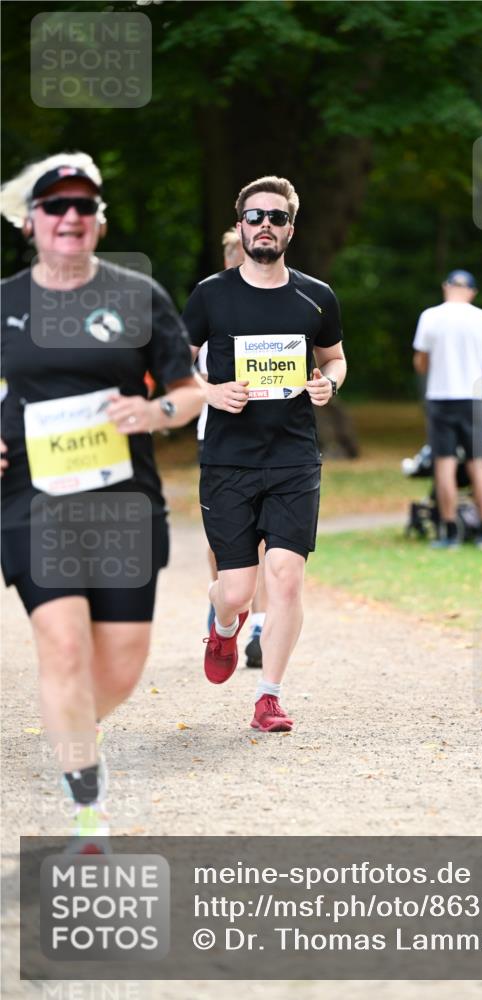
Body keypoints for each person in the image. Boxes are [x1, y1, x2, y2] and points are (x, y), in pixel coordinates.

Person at [0, 153, 203, 838]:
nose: (70, 217)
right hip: (32, 501)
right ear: (31, 222)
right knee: (62, 647)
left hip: (124, 503)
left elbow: (190, 393)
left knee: (117, 668)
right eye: (55, 206)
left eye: (83, 206)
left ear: (99, 220)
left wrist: (156, 414)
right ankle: (88, 804)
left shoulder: (136, 295)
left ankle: (71, 728)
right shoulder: (4, 304)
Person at [183, 175, 346, 733]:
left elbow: (336, 358)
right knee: (237, 589)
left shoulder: (316, 295)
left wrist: (328, 381)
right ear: (240, 225)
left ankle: (269, 696)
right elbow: (178, 365)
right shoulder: (210, 294)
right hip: (227, 458)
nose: (265, 226)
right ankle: (224, 625)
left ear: (290, 230)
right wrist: (209, 391)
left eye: (276, 218)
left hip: (294, 457)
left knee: (286, 577)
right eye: (255, 217)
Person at [197, 227, 267, 668]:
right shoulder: (207, 305)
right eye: (234, 254)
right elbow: (182, 372)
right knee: (221, 534)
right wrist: (210, 392)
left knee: (261, 533)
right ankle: (223, 599)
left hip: (265, 437)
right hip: (216, 433)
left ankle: (257, 622)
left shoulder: (271, 306)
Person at [412, 269, 482, 551]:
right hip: (473, 398)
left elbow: (421, 361)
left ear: (445, 287)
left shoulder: (430, 316)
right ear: (472, 292)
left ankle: (449, 531)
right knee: (478, 463)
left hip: (441, 396)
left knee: (445, 465)